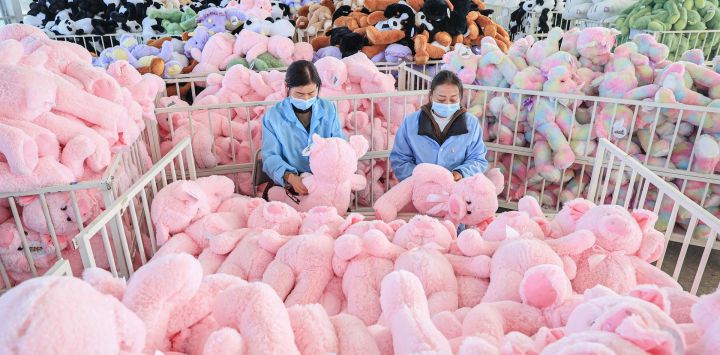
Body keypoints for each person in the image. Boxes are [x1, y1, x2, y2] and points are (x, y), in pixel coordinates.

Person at [261, 60, 345, 198]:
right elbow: (270, 156)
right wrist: (290, 177)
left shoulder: (329, 109)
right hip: (289, 180)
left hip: (324, 178)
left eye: (311, 93)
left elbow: (339, 144)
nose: (306, 98)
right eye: (299, 94)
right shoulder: (273, 116)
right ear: (287, 87)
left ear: (318, 87)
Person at [390, 70, 488, 182]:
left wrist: (460, 173)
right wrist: (422, 178)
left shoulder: (471, 123)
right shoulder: (411, 122)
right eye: (441, 99)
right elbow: (400, 159)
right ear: (431, 97)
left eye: (453, 99)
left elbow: (477, 159)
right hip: (420, 186)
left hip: (457, 188)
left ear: (460, 98)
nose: (447, 104)